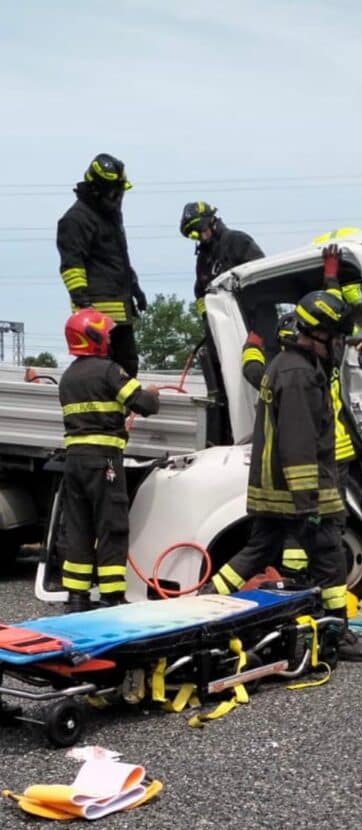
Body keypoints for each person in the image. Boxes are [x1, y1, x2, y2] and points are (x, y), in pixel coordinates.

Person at [205, 290, 362, 663]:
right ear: (317, 335)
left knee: (257, 551)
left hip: (273, 489)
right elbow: (299, 445)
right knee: (330, 557)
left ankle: (206, 604)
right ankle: (336, 634)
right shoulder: (300, 375)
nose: (338, 347)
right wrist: (310, 504)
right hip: (299, 490)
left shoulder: (286, 365)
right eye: (336, 339)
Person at [59, 308, 160, 612]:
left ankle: (76, 597)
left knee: (79, 527)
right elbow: (144, 404)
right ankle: (112, 597)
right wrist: (152, 393)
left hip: (74, 461)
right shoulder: (108, 370)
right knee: (111, 526)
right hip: (103, 461)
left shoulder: (68, 376)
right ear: (95, 337)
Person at [180, 201, 275, 444]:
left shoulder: (237, 242)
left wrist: (256, 327)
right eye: (192, 234)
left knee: (257, 382)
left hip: (254, 327)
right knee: (226, 390)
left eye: (199, 230)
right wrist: (207, 318)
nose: (198, 237)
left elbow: (262, 279)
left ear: (212, 221)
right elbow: (201, 295)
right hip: (223, 334)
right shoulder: (203, 257)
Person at [57, 154, 146, 377]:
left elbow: (118, 259)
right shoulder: (76, 219)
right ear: (97, 189)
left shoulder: (110, 216)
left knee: (127, 368)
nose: (119, 197)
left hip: (120, 310)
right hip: (95, 319)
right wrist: (83, 304)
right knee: (104, 376)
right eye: (114, 192)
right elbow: (71, 266)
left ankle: (121, 412)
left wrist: (134, 287)